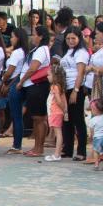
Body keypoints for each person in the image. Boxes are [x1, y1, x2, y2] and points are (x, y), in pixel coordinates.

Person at [58, 28, 90, 161]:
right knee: (67, 120)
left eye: (73, 38)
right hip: (65, 87)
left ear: (79, 38)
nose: (70, 41)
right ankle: (68, 149)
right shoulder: (68, 52)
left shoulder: (81, 52)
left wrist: (75, 91)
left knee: (78, 120)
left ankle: (81, 151)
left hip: (75, 88)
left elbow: (81, 73)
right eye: (68, 38)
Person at [20, 28, 52, 157]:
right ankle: (37, 146)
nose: (32, 37)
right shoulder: (39, 49)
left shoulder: (41, 50)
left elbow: (32, 68)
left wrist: (21, 81)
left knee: (39, 118)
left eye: (34, 35)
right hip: (35, 86)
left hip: (37, 85)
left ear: (40, 36)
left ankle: (39, 148)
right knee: (36, 118)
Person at [44, 63, 67, 162]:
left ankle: (57, 154)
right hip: (56, 112)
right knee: (58, 132)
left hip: (55, 112)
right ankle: (57, 153)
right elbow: (63, 99)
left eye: (49, 75)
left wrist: (63, 109)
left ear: (55, 76)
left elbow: (58, 100)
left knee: (58, 133)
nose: (47, 76)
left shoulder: (55, 87)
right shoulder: (59, 86)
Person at [87, 98, 103, 170]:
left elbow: (92, 130)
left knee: (96, 151)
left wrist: (91, 137)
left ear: (95, 110)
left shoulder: (92, 120)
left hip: (97, 137)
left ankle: (96, 165)